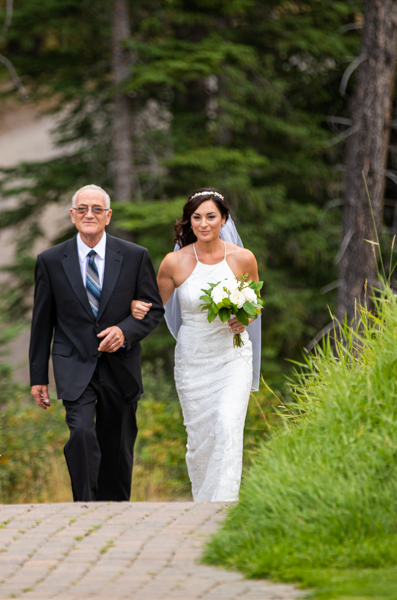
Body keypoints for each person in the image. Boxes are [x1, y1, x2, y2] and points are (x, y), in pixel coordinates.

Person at [29, 184, 164, 502]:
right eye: (83, 209)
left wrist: (125, 331)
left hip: (121, 365)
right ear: (73, 216)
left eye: (97, 209)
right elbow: (41, 321)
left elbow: (152, 307)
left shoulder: (134, 256)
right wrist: (38, 377)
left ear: (108, 216)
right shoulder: (50, 260)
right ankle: (85, 505)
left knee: (117, 443)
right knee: (81, 433)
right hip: (73, 363)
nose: (90, 214)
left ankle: (114, 511)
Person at [131, 188, 260, 502]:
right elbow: (152, 305)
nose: (204, 223)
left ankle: (223, 507)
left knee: (228, 426)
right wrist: (134, 308)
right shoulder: (174, 263)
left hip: (232, 355)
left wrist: (244, 319)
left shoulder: (243, 258)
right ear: (189, 221)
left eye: (211, 216)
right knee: (200, 441)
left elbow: (254, 304)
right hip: (193, 361)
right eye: (197, 217)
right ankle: (202, 505)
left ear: (224, 219)